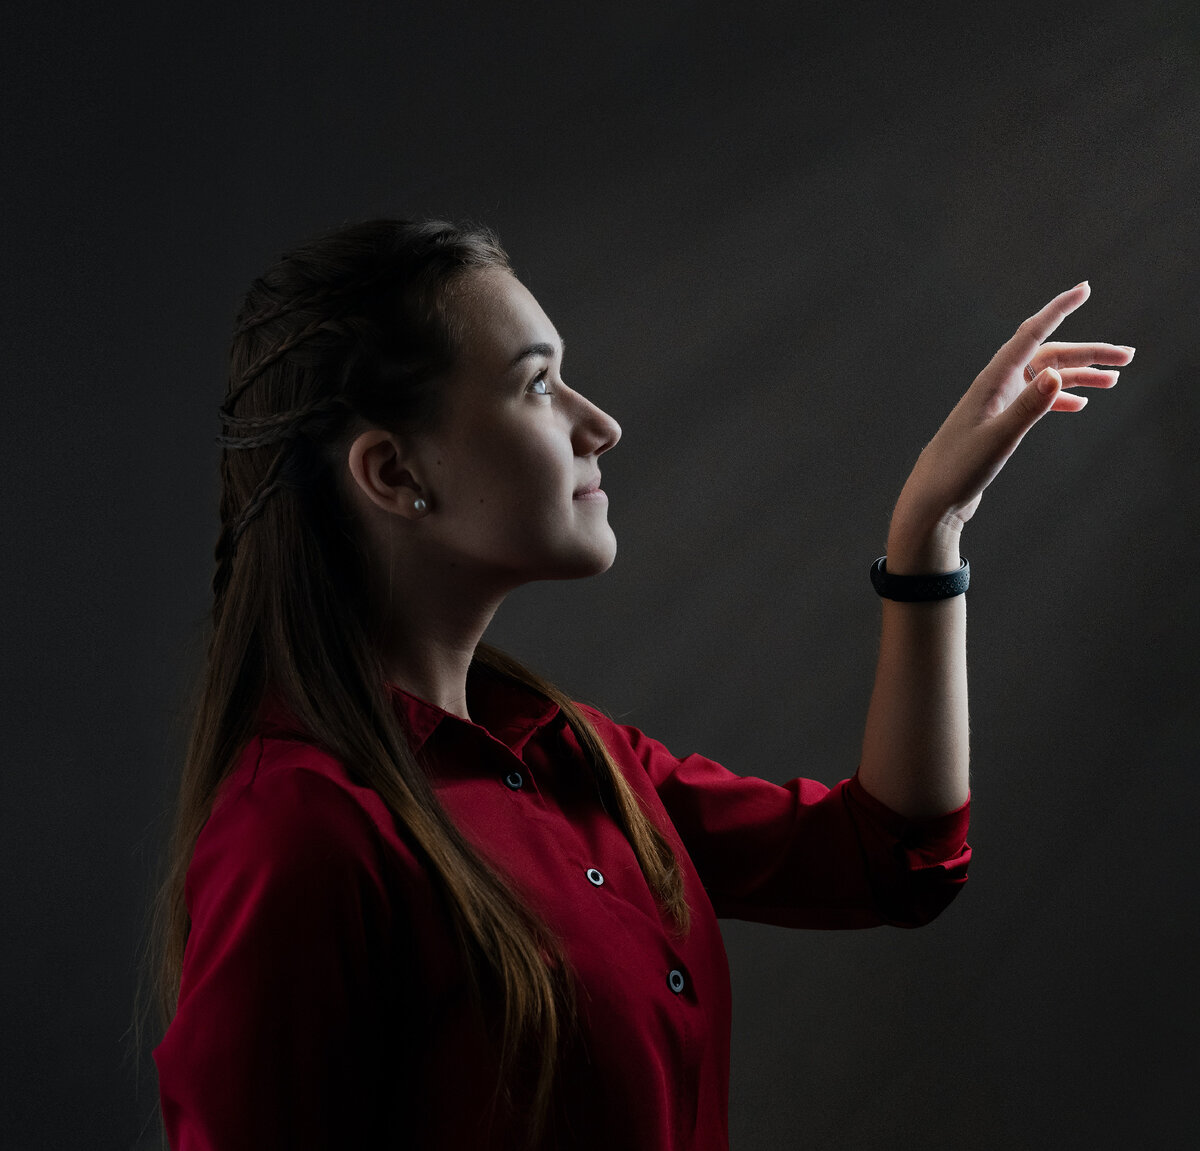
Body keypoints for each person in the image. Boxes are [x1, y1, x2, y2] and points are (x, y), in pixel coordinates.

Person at [148, 219, 1132, 1149]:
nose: (601, 424)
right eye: (538, 384)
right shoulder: (302, 830)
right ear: (394, 470)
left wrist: (930, 531)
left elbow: (894, 859)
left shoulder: (574, 755)